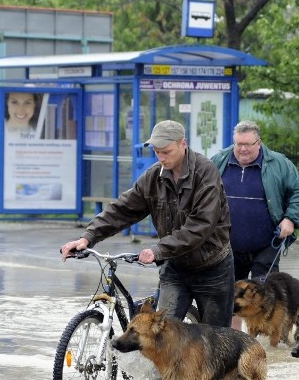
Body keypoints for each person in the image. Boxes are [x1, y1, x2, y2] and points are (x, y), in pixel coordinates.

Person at [60, 120, 234, 327]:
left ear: (183, 144)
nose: (161, 157)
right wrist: (88, 237)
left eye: (166, 151)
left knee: (216, 340)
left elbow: (201, 225)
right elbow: (123, 208)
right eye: (157, 151)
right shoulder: (154, 175)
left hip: (212, 267)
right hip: (175, 266)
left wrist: (158, 249)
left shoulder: (206, 173)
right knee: (160, 333)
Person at [211, 120, 299, 330]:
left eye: (248, 144)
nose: (242, 149)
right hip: (227, 244)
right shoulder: (219, 161)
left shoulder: (279, 164)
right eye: (238, 144)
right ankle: (234, 336)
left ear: (259, 143)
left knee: (263, 293)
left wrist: (290, 219)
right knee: (230, 293)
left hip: (267, 243)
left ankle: (268, 336)